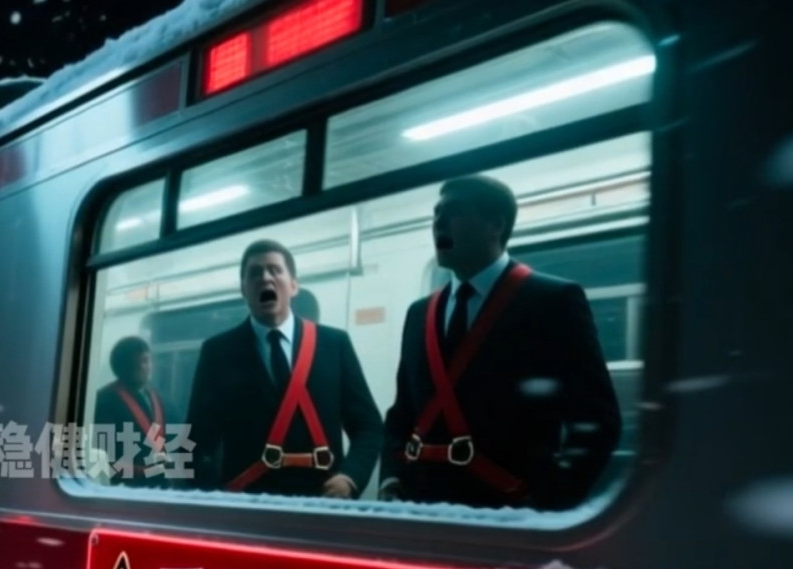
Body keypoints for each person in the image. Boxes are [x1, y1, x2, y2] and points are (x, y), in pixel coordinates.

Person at [379, 174, 620, 510]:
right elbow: (402, 413)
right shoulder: (420, 313)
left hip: (508, 509)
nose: (439, 223)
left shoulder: (551, 300)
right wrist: (391, 477)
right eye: (436, 214)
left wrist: (549, 503)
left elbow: (598, 419)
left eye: (453, 212)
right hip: (420, 504)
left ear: (495, 225)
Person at [187, 239, 383, 497]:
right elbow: (195, 440)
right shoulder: (217, 352)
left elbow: (368, 426)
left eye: (275, 270)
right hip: (247, 504)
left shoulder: (334, 345)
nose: (265, 278)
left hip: (322, 500)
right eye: (255, 273)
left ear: (293, 285)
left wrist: (350, 477)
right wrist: (209, 500)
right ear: (243, 289)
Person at [93, 336, 182, 486]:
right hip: (124, 489)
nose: (141, 367)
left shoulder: (163, 401)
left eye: (145, 361)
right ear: (120, 366)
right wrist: (149, 471)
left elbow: (178, 439)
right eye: (134, 363)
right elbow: (104, 459)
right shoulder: (103, 402)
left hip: (163, 487)